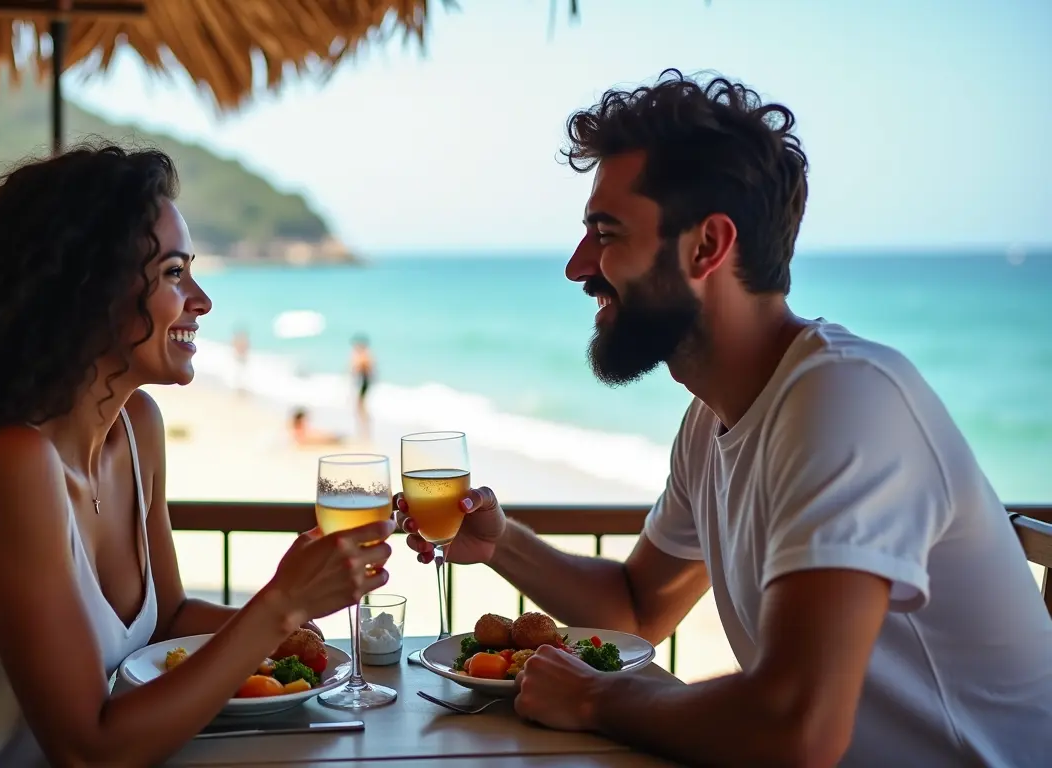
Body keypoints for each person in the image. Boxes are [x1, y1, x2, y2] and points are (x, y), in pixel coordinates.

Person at [397, 70, 1052, 767]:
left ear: (707, 247)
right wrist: (500, 543)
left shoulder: (847, 399)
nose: (577, 266)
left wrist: (593, 699)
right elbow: (636, 608)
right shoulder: (711, 422)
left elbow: (795, 727)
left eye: (604, 231)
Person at [0, 144, 394, 767]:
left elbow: (168, 617)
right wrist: (277, 605)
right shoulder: (7, 463)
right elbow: (87, 752)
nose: (201, 300)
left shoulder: (135, 427)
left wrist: (288, 629)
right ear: (89, 290)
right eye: (174, 273)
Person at [350, 335, 374, 438]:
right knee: (360, 407)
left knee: (361, 406)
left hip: (364, 382)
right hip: (362, 382)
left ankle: (364, 432)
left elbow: (359, 369)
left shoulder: (365, 356)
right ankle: (363, 431)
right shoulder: (365, 355)